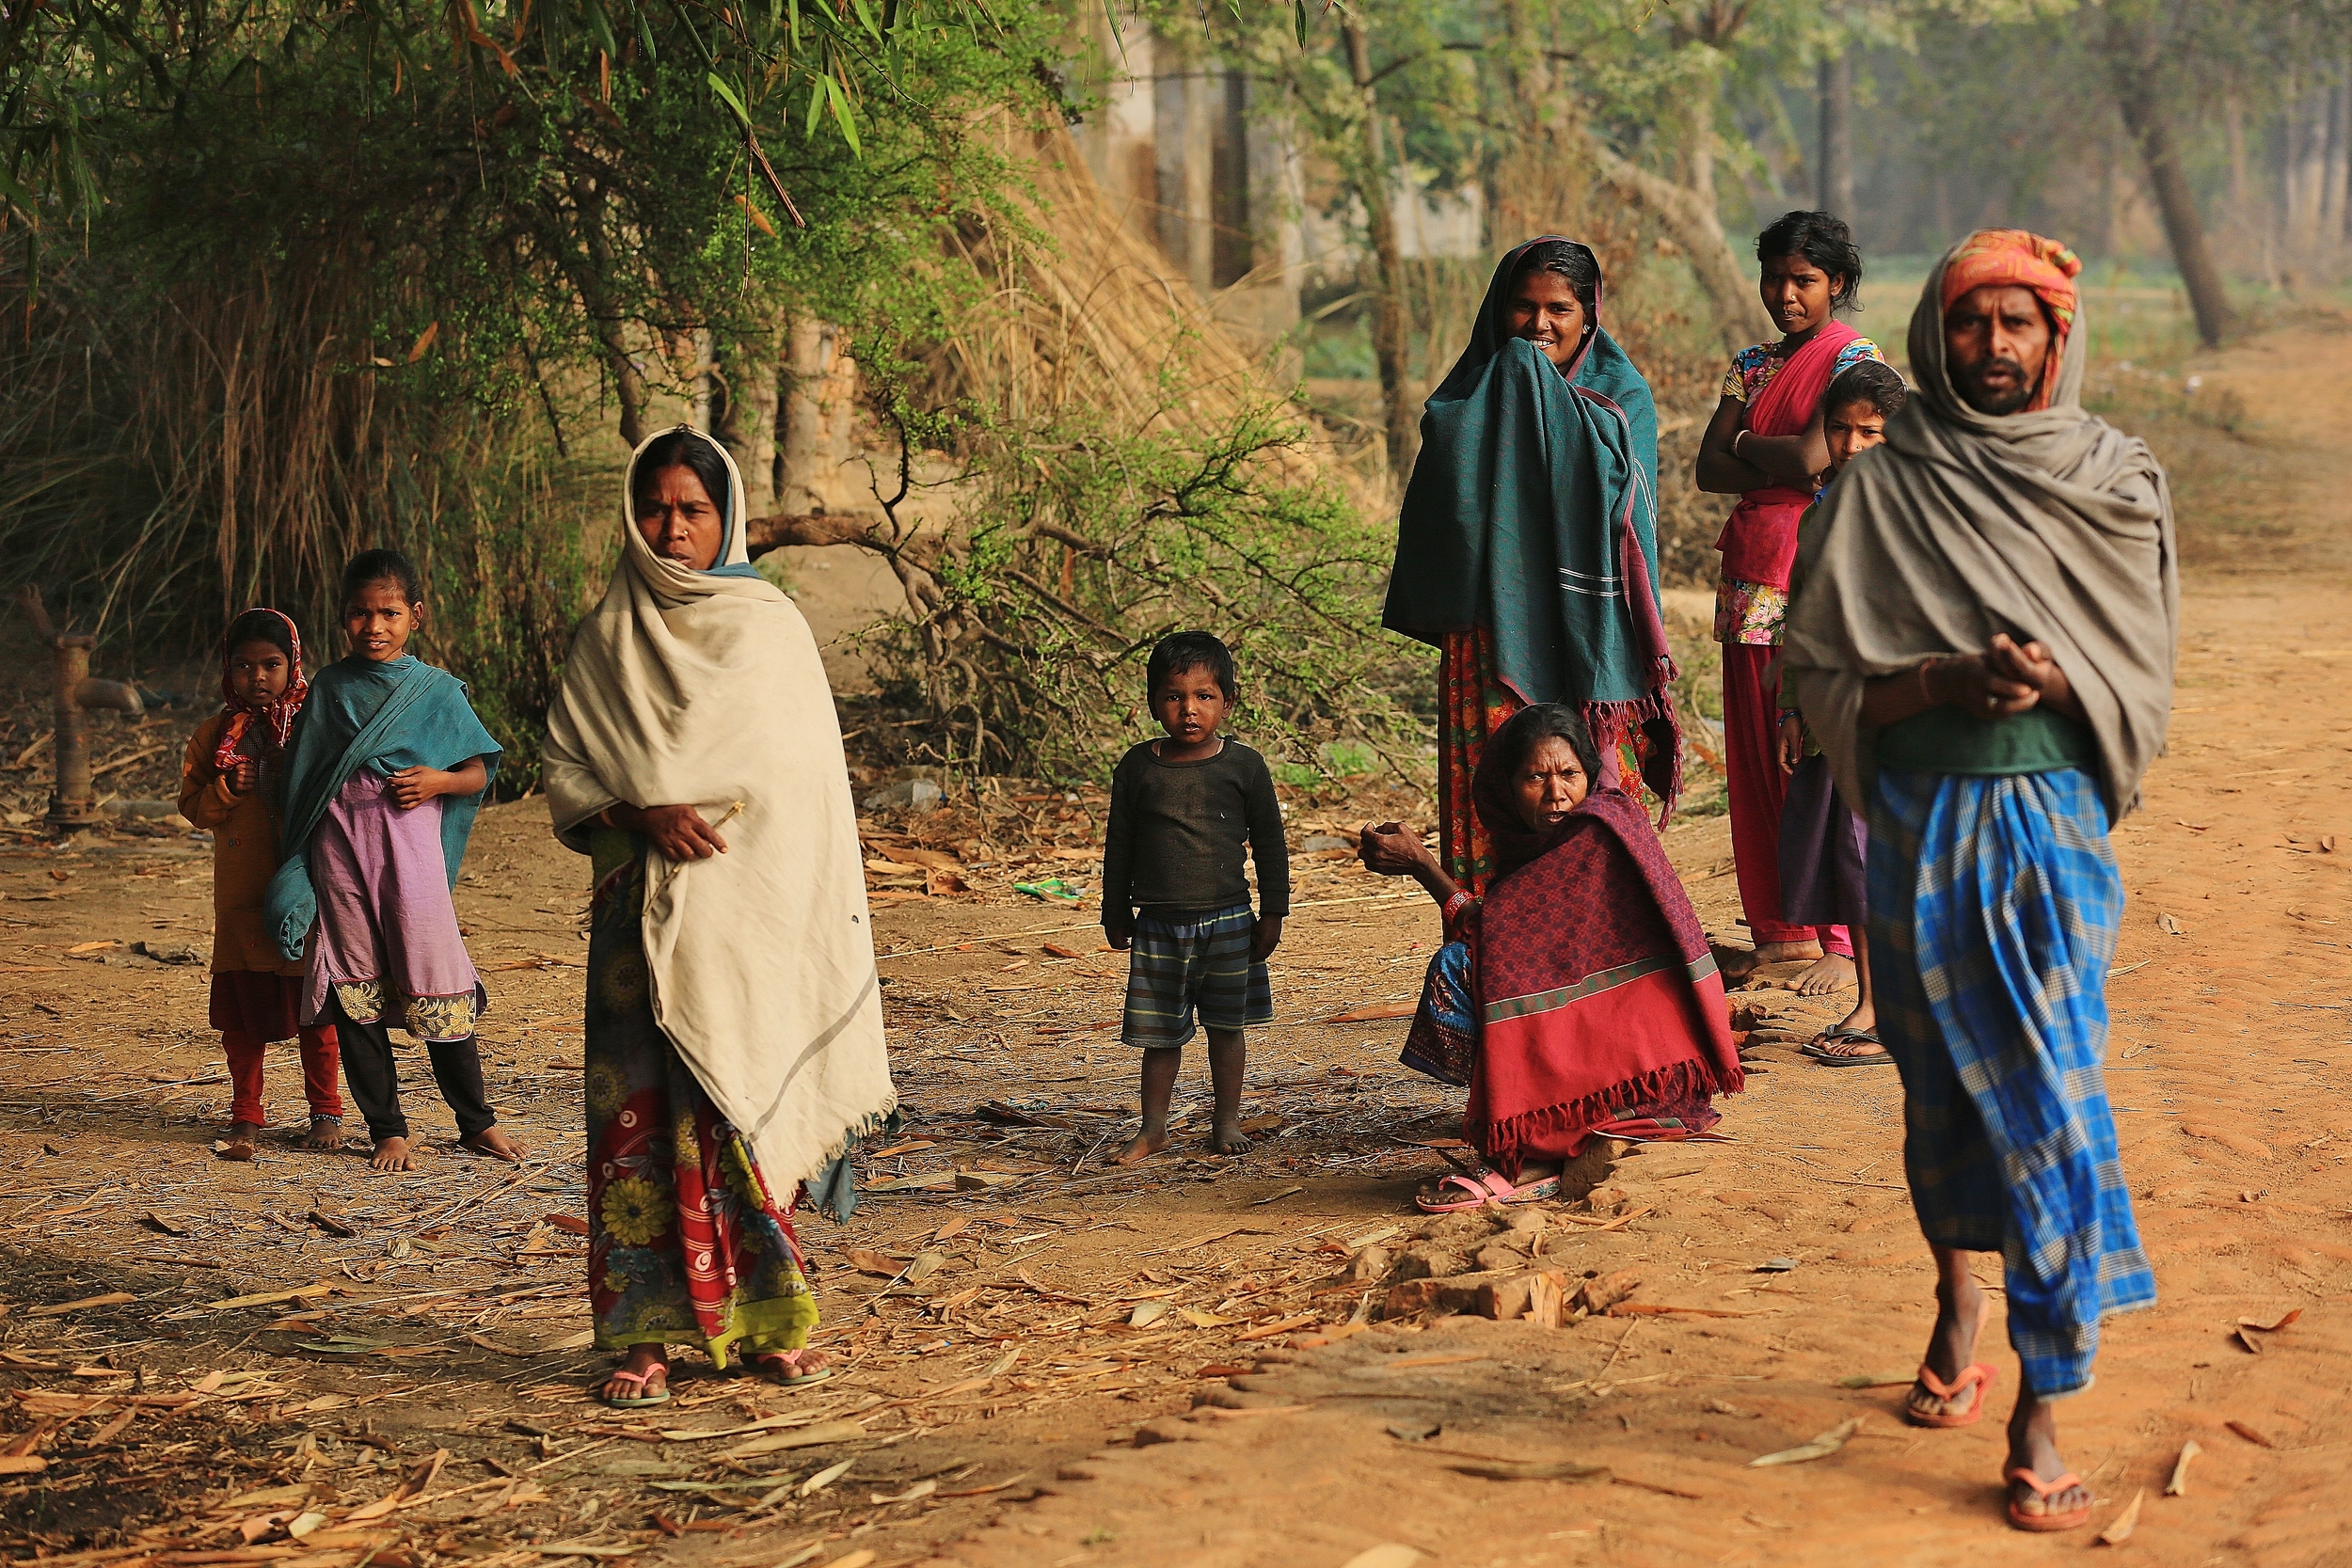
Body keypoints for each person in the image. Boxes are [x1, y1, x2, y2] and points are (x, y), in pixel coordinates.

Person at [1783, 230, 2173, 1533]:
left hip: (2051, 830)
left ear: (2059, 338)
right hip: (1918, 823)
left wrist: (2056, 679)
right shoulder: (1875, 496)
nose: (1994, 348)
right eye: (1970, 323)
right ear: (1935, 333)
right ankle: (1959, 1296)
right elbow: (1824, 677)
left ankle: (2042, 1405)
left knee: (2053, 1093)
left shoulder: (2116, 483)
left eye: (2020, 324)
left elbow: (2141, 672)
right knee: (1942, 1088)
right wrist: (1942, 681)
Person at [543, 426, 894, 1408]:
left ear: (726, 516)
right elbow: (565, 773)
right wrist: (638, 810)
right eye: (655, 507)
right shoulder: (607, 635)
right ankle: (646, 1337)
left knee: (735, 1110)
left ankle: (769, 1324)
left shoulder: (769, 629)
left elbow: (802, 794)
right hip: (634, 932)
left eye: (692, 509)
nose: (671, 526)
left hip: (748, 924)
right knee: (635, 1128)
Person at [1384, 236, 1679, 899]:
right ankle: (1490, 944)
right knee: (1496, 784)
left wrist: (1544, 406)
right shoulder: (1467, 394)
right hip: (1493, 630)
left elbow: (1625, 510)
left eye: (1558, 308)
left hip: (1595, 637)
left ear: (1589, 314)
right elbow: (1446, 505)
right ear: (1499, 309)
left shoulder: (1621, 395)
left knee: (1590, 787)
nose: (1539, 324)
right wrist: (1516, 393)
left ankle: (1608, 948)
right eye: (1523, 306)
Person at [1359, 705, 1742, 1211]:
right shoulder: (1531, 846)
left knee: (1457, 969)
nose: (1556, 792)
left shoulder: (1597, 833)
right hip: (1606, 1031)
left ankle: (1537, 1140)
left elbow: (1488, 940)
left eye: (1569, 774)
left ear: (1590, 775)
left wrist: (1425, 866)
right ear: (1506, 785)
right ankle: (1540, 1119)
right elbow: (1509, 933)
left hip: (1644, 1052)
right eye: (1535, 777)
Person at [263, 549, 525, 1173]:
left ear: (416, 615)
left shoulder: (435, 692)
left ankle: (476, 1121)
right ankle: (388, 1128)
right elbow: (304, 778)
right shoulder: (328, 687)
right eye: (360, 613)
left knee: (436, 976)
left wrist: (436, 780)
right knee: (355, 985)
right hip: (341, 852)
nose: (373, 627)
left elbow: (476, 770)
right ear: (342, 617)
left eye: (388, 612)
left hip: (410, 856)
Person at [1694, 211, 1886, 994]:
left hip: (1816, 573)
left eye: (1804, 280)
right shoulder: (1752, 361)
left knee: (1818, 754)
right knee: (1753, 755)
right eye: (1774, 278)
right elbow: (1709, 467)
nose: (1785, 295)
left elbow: (1817, 458)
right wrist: (1755, 455)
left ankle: (1843, 935)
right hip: (1748, 574)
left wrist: (1746, 446)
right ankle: (1781, 928)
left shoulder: (1856, 361)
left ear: (1837, 283)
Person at [1100, 632, 1288, 1164]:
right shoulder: (1138, 768)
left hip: (1229, 920)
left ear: (1228, 702)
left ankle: (1225, 1122)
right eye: (1174, 696)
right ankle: (1153, 1128)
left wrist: (1273, 912)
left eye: (1204, 696)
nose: (1189, 710)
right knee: (1160, 1036)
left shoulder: (1244, 767)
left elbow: (1270, 843)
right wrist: (1115, 909)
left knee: (1227, 1029)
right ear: (1153, 701)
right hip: (1157, 924)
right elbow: (1120, 844)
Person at [1774, 359, 1907, 1064]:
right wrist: (1792, 705)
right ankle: (1872, 995)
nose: (1853, 444)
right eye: (1840, 429)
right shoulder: (1822, 509)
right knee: (1847, 862)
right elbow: (1804, 614)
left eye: (1871, 432)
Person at [178, 608, 344, 1159]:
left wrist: (290, 767)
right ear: (229, 669)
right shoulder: (212, 737)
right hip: (240, 896)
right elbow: (193, 808)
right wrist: (226, 788)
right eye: (244, 665)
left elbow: (339, 796)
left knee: (315, 1007)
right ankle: (246, 1114)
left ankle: (326, 1112)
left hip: (304, 885)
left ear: (293, 664)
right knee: (242, 1018)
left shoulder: (315, 729)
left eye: (271, 664)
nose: (258, 676)